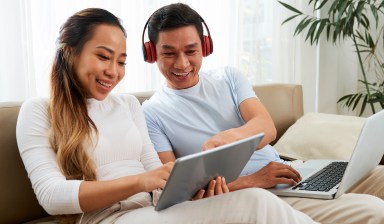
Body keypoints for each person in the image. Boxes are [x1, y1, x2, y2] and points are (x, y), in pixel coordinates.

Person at [16, 7, 316, 224]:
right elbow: (52, 196)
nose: (113, 71)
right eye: (103, 56)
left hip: (155, 210)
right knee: (256, 203)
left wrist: (188, 187)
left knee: (256, 201)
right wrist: (141, 181)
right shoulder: (39, 110)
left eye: (121, 61)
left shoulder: (129, 106)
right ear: (70, 52)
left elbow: (160, 185)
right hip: (108, 217)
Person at [141, 3, 384, 224]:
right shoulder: (151, 113)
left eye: (191, 51)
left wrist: (229, 138)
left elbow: (267, 127)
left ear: (205, 47)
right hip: (259, 193)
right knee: (374, 211)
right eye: (169, 53)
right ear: (152, 53)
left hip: (291, 172)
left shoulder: (228, 77)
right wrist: (251, 180)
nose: (182, 64)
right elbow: (174, 189)